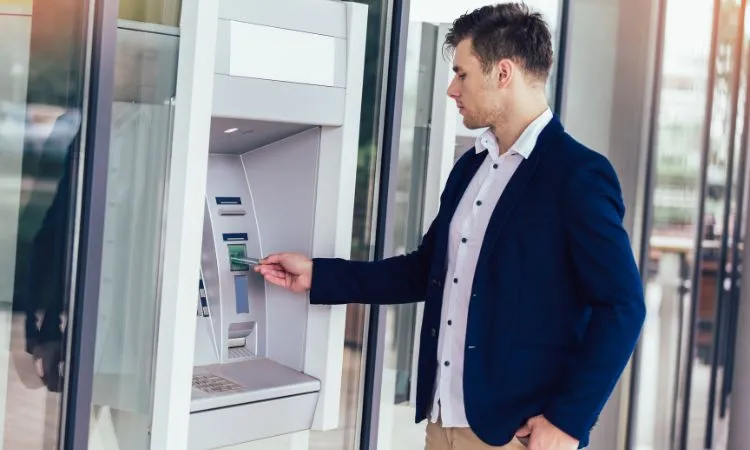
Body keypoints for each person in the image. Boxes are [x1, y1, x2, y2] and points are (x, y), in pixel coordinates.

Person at [255, 3, 646, 450]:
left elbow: (623, 306)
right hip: (442, 422)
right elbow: (428, 270)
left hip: (514, 435)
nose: (451, 89)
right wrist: (320, 275)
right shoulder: (471, 167)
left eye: (462, 74)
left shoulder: (577, 175)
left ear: (503, 73)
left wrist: (568, 422)